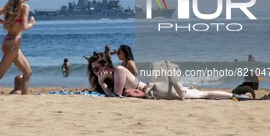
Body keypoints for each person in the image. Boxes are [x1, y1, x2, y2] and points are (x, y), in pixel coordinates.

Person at [87, 50, 252, 100]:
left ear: (106, 65)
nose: (96, 72)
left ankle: (238, 96)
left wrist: (102, 85)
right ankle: (238, 96)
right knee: (199, 94)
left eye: (97, 68)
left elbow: (116, 97)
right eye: (93, 70)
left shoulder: (119, 71)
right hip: (156, 92)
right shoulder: (111, 76)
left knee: (203, 94)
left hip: (156, 90)